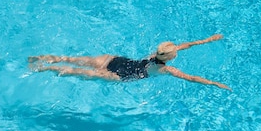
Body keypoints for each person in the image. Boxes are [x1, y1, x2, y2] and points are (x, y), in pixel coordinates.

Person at [28, 34, 231, 90]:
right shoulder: (164, 69)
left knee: (73, 60)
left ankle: (41, 58)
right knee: (73, 72)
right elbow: (191, 78)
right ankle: (43, 68)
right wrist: (214, 83)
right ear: (171, 56)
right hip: (118, 75)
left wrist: (207, 40)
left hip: (114, 60)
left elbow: (184, 45)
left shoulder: (157, 53)